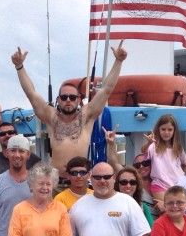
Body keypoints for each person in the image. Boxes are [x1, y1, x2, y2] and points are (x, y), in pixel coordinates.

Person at [11, 41, 127, 173]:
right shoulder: (51, 117)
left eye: (72, 98)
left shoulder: (86, 116)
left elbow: (106, 90)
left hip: (81, 180)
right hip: (55, 183)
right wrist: (19, 67)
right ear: (58, 100)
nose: (68, 100)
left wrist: (118, 61)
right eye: (64, 97)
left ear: (79, 100)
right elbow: (31, 93)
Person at [0, 122, 41, 190]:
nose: (7, 135)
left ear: (17, 135)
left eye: (10, 132)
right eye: (2, 134)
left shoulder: (34, 160)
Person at [143, 113, 186, 200]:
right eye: (163, 129)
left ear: (174, 131)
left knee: (178, 211)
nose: (166, 132)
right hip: (159, 185)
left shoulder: (178, 147)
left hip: (178, 185)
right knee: (166, 210)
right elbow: (144, 152)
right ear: (158, 130)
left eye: (170, 130)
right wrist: (148, 143)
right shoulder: (154, 146)